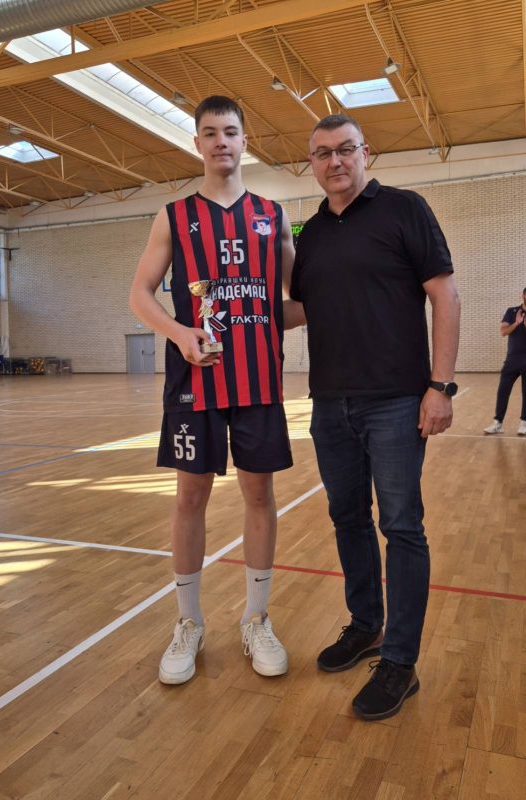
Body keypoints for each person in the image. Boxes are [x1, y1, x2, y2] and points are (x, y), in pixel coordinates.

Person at [284, 113, 461, 720]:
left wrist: (440, 386)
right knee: (347, 518)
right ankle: (366, 625)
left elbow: (444, 294)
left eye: (345, 149)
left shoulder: (405, 209)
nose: (334, 161)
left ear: (366, 153)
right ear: (312, 163)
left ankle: (401, 663)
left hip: (396, 401)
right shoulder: (310, 234)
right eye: (322, 153)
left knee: (402, 526)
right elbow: (302, 309)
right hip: (330, 403)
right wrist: (235, 309)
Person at [129, 95, 295, 685]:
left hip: (258, 380)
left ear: (245, 141)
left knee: (259, 495)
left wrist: (354, 301)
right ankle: (189, 622)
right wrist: (179, 333)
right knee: (189, 498)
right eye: (209, 132)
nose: (220, 141)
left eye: (230, 131)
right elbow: (140, 294)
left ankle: (256, 618)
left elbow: (295, 301)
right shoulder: (173, 216)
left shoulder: (273, 216)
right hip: (193, 381)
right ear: (197, 143)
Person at [483, 288, 526, 436]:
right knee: (503, 390)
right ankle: (498, 423)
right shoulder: (511, 311)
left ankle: (524, 423)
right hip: (512, 360)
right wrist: (517, 323)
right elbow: (503, 332)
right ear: (523, 295)